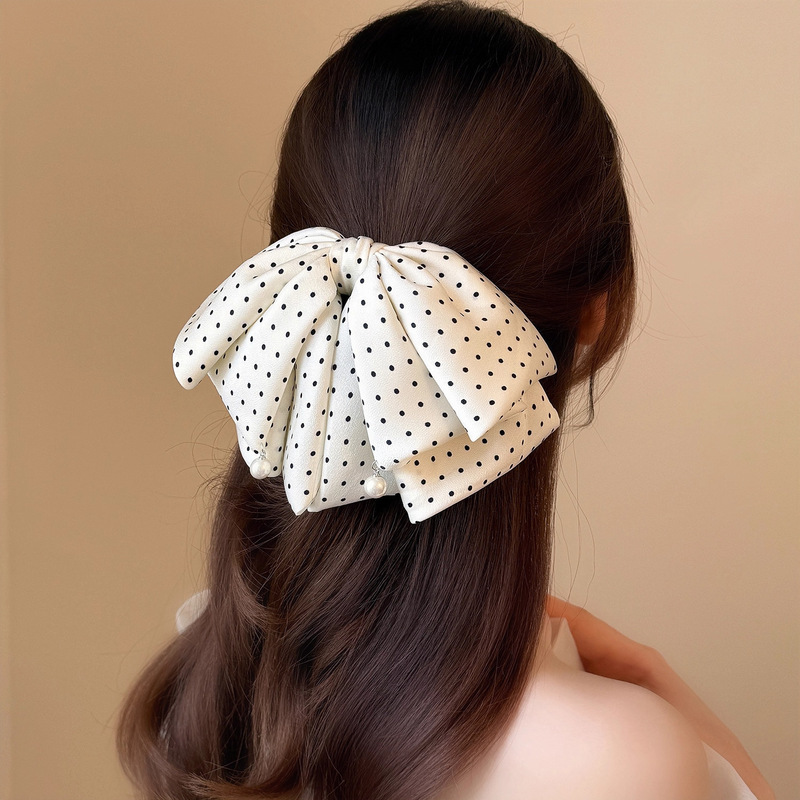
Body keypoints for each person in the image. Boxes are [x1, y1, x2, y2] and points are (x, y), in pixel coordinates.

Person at [116, 2, 775, 798]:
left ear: (292, 287)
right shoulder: (618, 756)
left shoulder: (214, 688)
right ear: (593, 312)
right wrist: (700, 737)